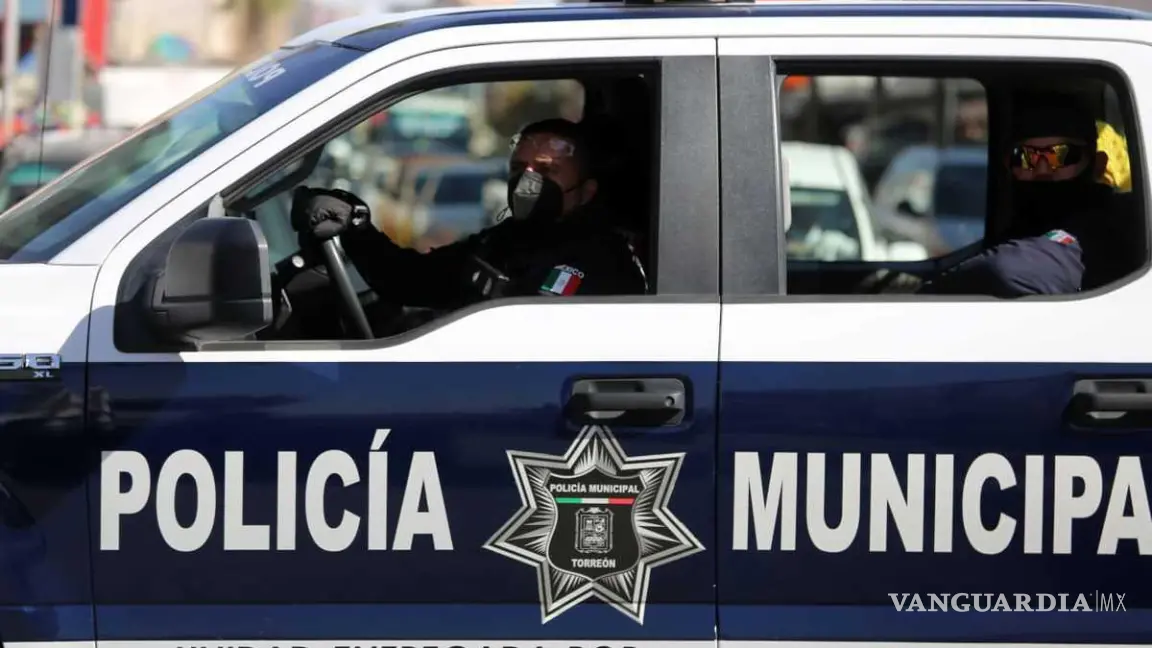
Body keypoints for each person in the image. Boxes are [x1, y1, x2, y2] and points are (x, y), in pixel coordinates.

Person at [292, 118, 648, 321]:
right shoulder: (505, 241)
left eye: (546, 171)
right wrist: (357, 227)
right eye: (518, 168)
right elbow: (412, 279)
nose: (527, 181)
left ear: (586, 192)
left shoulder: (604, 261)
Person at [916, 91, 1112, 297]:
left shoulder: (1099, 231)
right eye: (1025, 157)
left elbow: (1005, 269)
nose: (1042, 170)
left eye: (1061, 156)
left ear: (1098, 165)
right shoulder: (1020, 227)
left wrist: (928, 293)